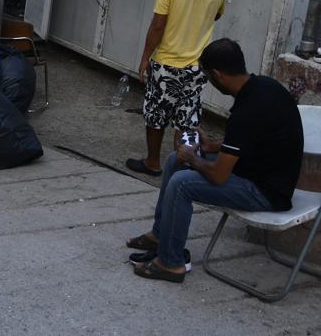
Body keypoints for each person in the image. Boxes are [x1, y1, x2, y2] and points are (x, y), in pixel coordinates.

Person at [127, 39, 304, 283]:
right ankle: (161, 236)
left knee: (181, 183)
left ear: (217, 75)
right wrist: (212, 146)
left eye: (208, 76)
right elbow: (253, 138)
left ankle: (171, 263)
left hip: (267, 192)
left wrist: (193, 157)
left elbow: (219, 175)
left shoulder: (246, 112)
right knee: (172, 161)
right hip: (257, 170)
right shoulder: (262, 87)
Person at [127, 0, 226, 176]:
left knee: (156, 116)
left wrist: (143, 59)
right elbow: (216, 16)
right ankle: (181, 168)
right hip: (197, 67)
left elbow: (158, 25)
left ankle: (153, 163)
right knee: (188, 119)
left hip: (166, 65)